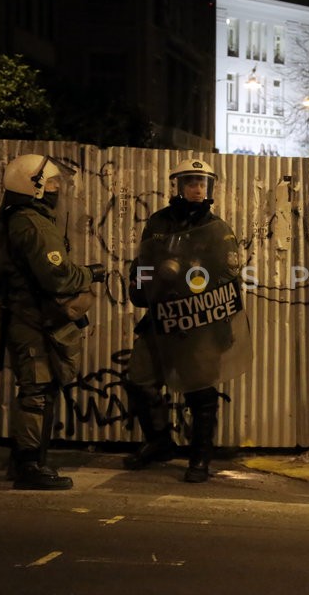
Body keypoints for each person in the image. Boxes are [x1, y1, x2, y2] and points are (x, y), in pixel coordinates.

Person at [0, 154, 106, 490]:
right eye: (51, 183)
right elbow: (58, 276)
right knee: (37, 391)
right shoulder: (32, 222)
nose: (55, 189)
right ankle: (29, 466)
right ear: (33, 187)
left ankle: (28, 459)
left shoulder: (8, 220)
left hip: (22, 315)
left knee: (38, 388)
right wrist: (90, 273)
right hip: (32, 318)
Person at [123, 159, 250, 483]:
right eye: (191, 182)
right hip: (162, 316)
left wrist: (222, 320)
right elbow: (145, 262)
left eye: (202, 183)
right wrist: (143, 281)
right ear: (178, 186)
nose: (197, 188)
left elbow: (228, 276)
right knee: (139, 379)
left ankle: (200, 458)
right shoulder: (159, 223)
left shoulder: (218, 230)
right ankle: (159, 441)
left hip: (200, 321)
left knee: (200, 391)